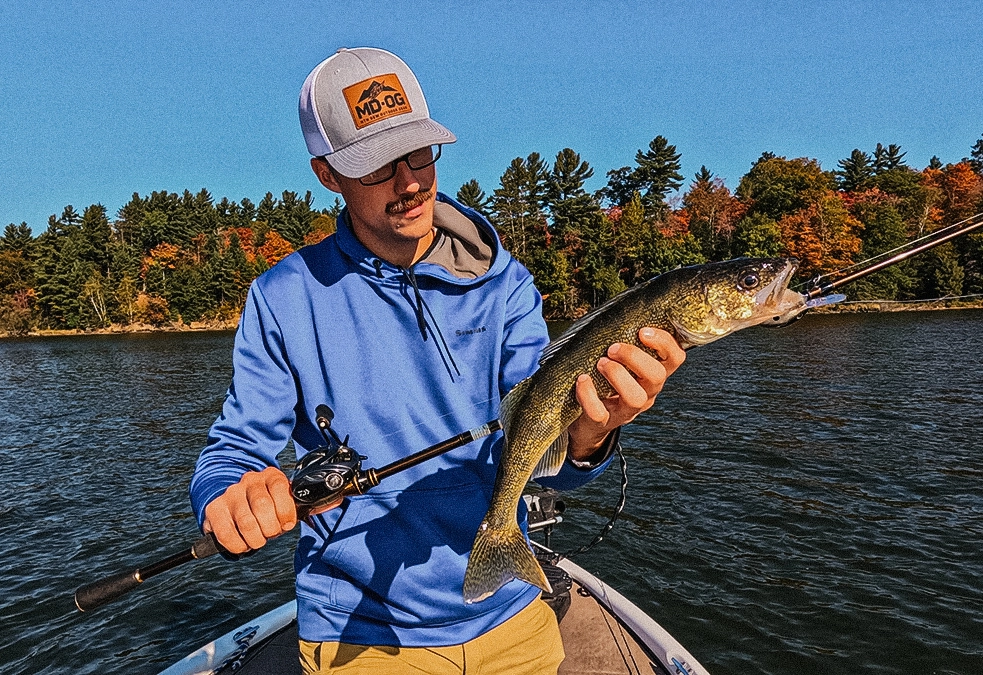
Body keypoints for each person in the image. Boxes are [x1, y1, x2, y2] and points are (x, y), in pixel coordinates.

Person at [189, 47, 686, 674]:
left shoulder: (506, 286)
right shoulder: (285, 297)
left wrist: (593, 433)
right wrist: (229, 498)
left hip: (511, 609)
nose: (411, 182)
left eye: (418, 152)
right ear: (326, 174)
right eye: (376, 166)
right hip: (359, 632)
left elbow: (547, 465)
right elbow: (233, 451)